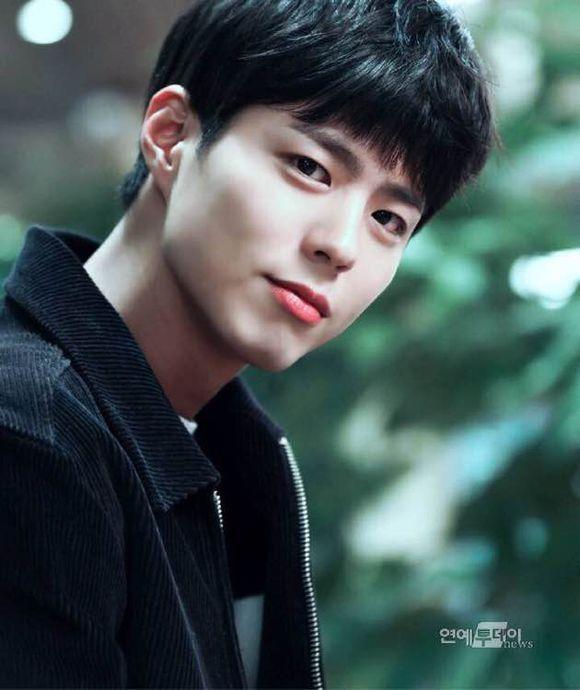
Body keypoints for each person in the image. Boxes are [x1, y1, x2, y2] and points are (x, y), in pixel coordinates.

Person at [0, 0, 497, 687]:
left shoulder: (240, 455)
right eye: (310, 168)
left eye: (388, 219)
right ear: (171, 135)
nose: (341, 245)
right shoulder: (31, 434)